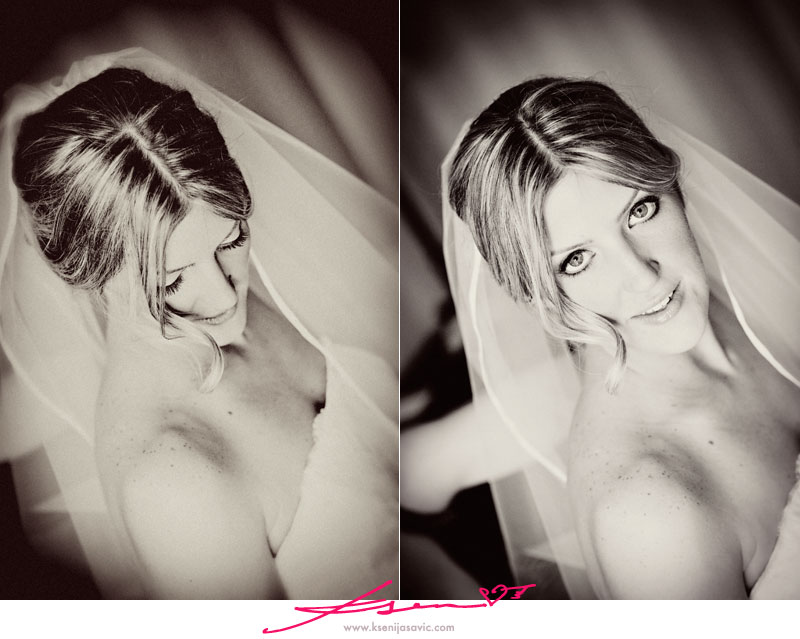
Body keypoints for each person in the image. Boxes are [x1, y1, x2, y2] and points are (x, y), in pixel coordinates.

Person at [0, 49, 398, 599]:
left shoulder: (245, 292)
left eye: (231, 239)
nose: (225, 295)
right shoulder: (172, 483)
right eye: (170, 282)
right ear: (85, 275)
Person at [417, 76, 800, 598]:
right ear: (534, 292)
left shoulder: (752, 305)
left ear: (673, 188)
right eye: (577, 259)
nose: (643, 277)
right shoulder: (650, 514)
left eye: (640, 210)